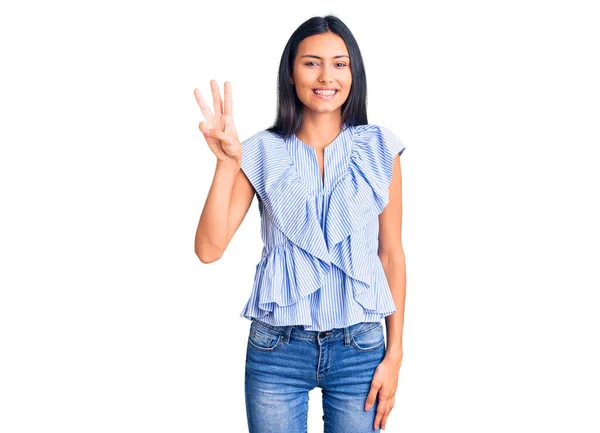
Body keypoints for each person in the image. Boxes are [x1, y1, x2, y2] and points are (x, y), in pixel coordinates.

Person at [194, 14, 406, 433]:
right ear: (290, 73)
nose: (326, 75)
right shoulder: (259, 151)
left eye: (339, 63)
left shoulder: (380, 148)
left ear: (353, 73)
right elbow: (208, 249)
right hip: (277, 349)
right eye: (311, 63)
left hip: (359, 346)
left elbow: (391, 253)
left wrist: (395, 353)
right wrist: (225, 165)